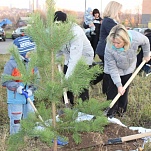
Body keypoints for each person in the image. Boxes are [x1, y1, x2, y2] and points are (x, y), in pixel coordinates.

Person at [104, 24, 150, 117]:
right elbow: (112, 68)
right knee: (113, 90)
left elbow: (146, 41)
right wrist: (118, 85)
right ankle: (110, 113)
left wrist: (146, 55)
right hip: (114, 68)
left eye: (118, 43)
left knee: (124, 91)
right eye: (114, 42)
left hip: (129, 67)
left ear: (125, 40)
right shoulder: (109, 47)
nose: (115, 45)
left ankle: (121, 112)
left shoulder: (136, 37)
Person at [1, 35, 39, 135]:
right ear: (22, 52)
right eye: (29, 52)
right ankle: (16, 138)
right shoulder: (11, 64)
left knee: (29, 118)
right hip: (15, 98)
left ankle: (28, 137)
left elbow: (37, 79)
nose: (31, 54)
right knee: (16, 121)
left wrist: (32, 89)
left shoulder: (32, 63)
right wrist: (17, 87)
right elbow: (4, 80)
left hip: (29, 97)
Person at [54, 11, 94, 105]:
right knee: (66, 76)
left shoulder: (75, 32)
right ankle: (68, 104)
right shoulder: (57, 31)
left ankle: (84, 107)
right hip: (69, 57)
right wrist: (57, 59)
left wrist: (67, 80)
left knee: (81, 83)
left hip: (84, 57)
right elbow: (58, 49)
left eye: (58, 25)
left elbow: (75, 58)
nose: (57, 28)